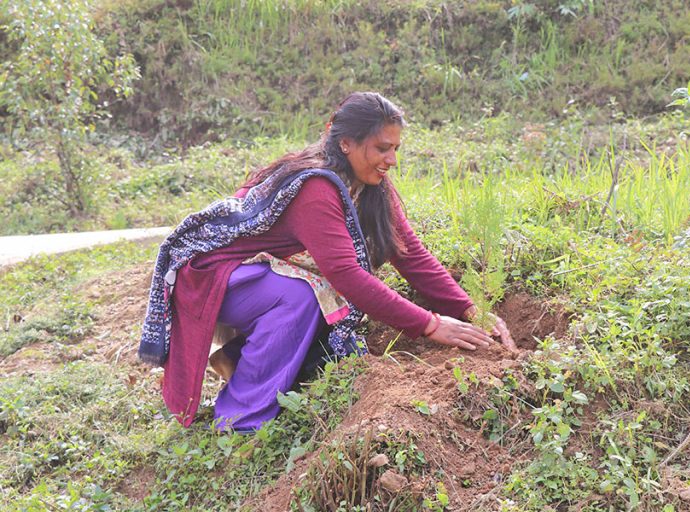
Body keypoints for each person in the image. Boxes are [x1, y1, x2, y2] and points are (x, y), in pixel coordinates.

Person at [138, 92, 515, 431]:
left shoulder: (372, 187)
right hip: (210, 278)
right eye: (382, 148)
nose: (392, 160)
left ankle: (240, 362)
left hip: (256, 276)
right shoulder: (316, 187)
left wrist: (469, 309)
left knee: (321, 295)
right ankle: (239, 419)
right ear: (347, 143)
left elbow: (410, 253)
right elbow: (346, 274)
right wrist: (430, 324)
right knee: (306, 293)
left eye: (396, 149)